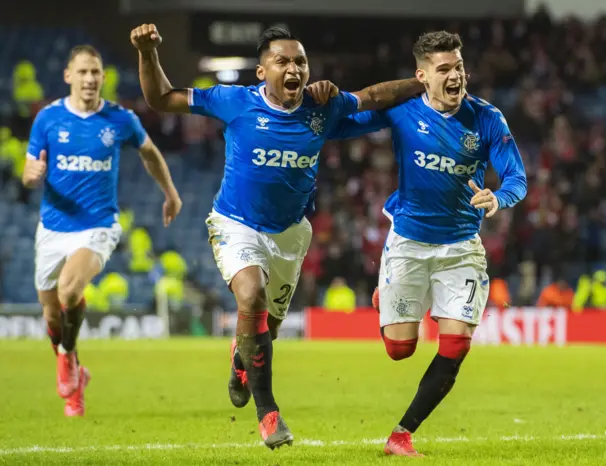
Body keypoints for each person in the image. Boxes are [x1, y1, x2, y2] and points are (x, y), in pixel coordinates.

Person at [130, 23, 423, 449]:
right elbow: (161, 97)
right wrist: (147, 53)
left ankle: (240, 359)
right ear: (262, 71)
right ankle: (268, 413)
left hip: (290, 235)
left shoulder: (323, 108)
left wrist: (421, 82)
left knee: (268, 326)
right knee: (250, 297)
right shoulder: (233, 101)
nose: (294, 68)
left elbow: (374, 99)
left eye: (300, 61)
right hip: (235, 223)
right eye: (282, 61)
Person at [329, 31, 527, 456]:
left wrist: (499, 196)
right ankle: (387, 297)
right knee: (400, 349)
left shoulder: (487, 118)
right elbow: (342, 125)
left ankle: (402, 434)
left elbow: (517, 178)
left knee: (455, 345)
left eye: (459, 67)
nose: (455, 76)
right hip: (409, 242)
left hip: (461, 248)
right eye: (444, 70)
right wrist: (315, 114)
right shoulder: (402, 109)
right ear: (422, 76)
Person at [22, 45, 182, 417]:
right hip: (53, 227)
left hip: (99, 225)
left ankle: (64, 356)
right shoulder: (48, 119)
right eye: (82, 72)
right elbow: (31, 168)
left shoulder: (119, 119)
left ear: (103, 77)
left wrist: (170, 193)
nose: (90, 79)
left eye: (96, 72)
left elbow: (149, 152)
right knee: (50, 316)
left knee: (70, 288)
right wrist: (32, 175)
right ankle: (76, 375)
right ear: (68, 76)